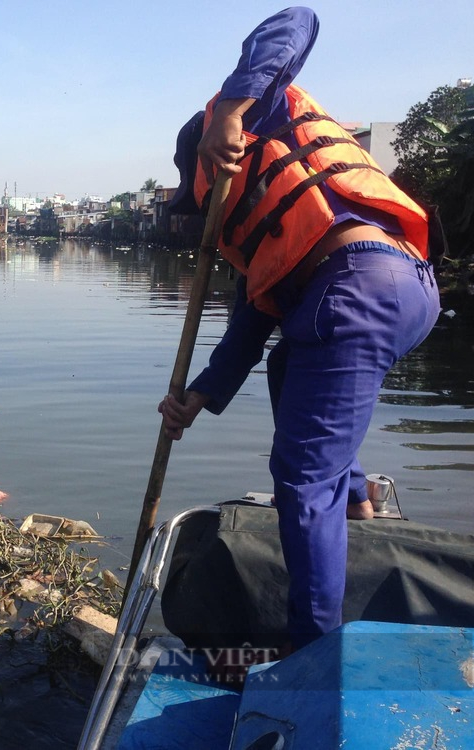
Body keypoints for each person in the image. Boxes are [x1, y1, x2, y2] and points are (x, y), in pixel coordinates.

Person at [159, 6, 441, 650]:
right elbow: (248, 329)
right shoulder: (259, 230)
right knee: (290, 367)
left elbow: (297, 19)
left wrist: (230, 111)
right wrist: (194, 401)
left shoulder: (257, 114)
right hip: (395, 291)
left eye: (192, 189)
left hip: (359, 286)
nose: (194, 203)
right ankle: (360, 508)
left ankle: (312, 652)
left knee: (300, 476)